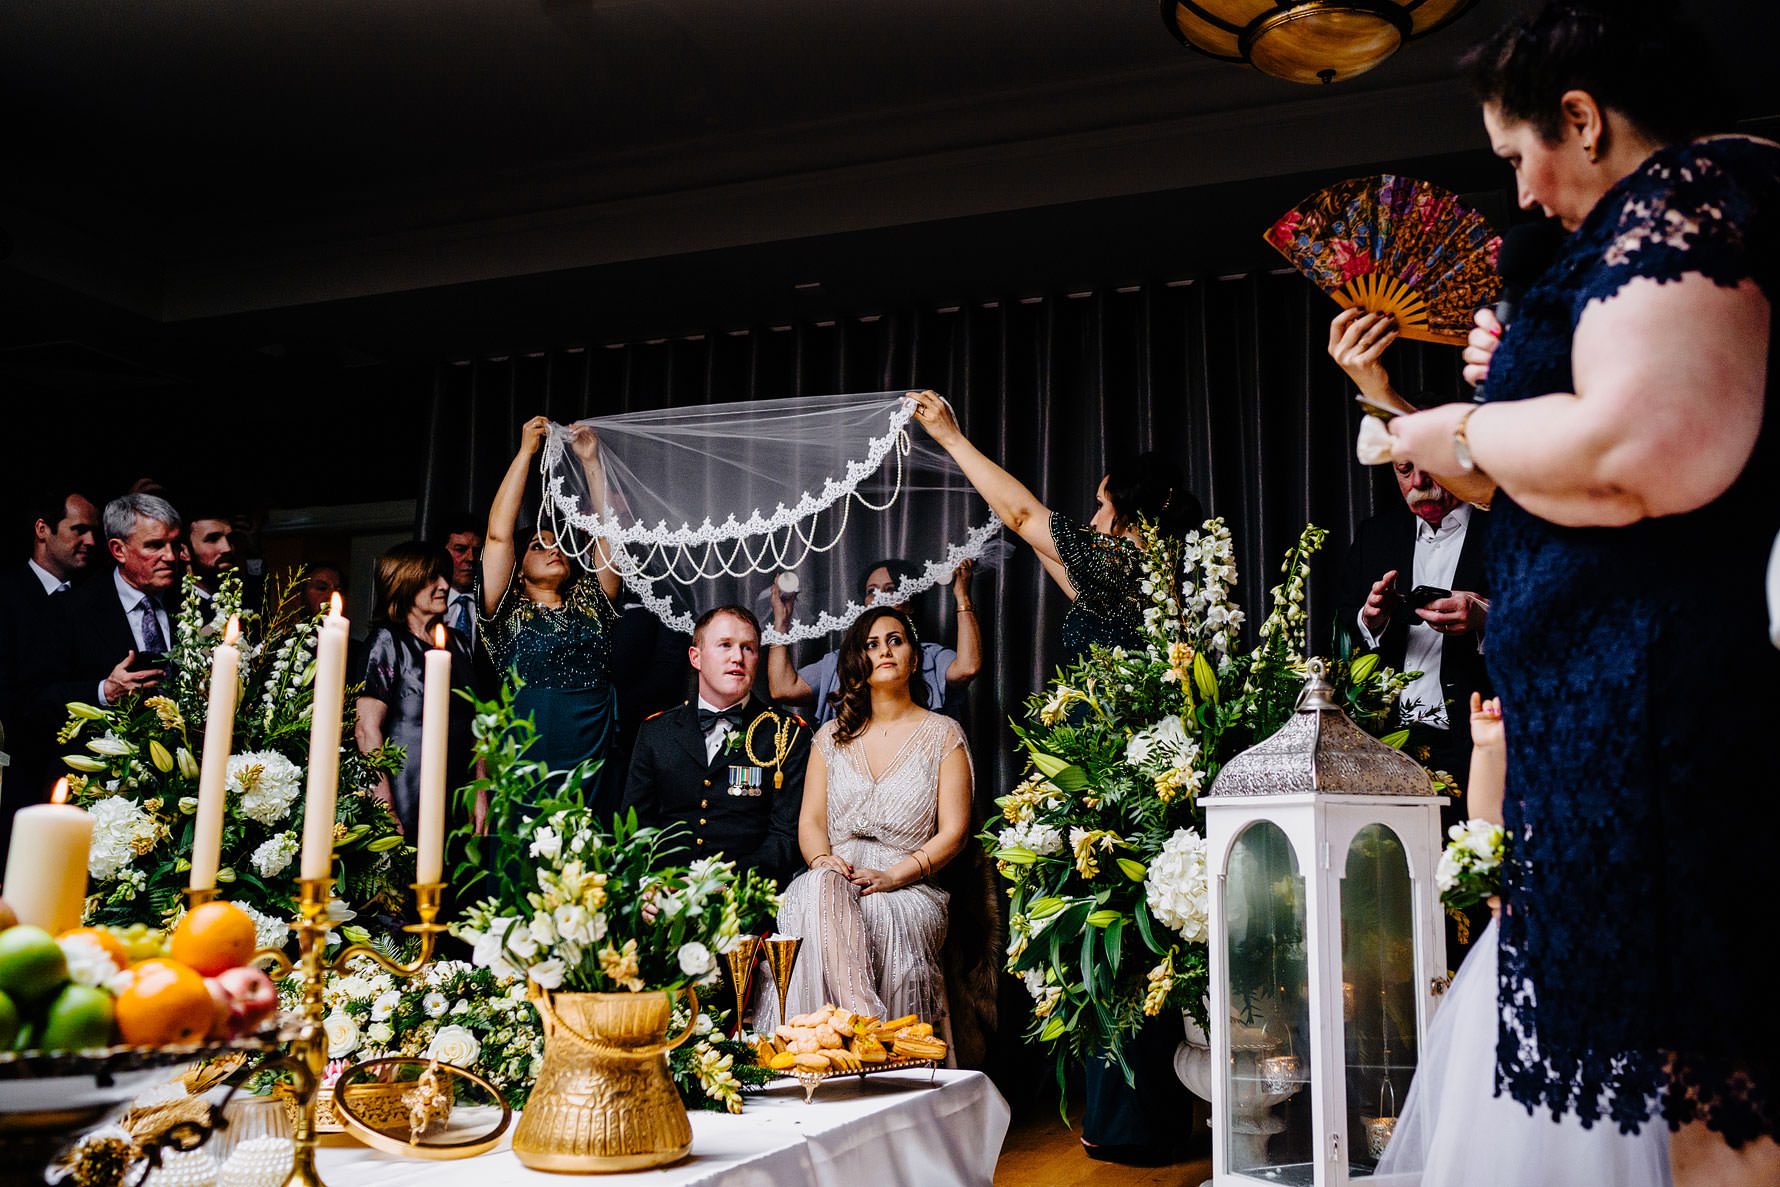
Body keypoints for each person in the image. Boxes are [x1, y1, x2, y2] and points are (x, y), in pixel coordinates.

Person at [1383, 4, 1778, 1180]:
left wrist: (1463, 422)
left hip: (1676, 715)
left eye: (1518, 157)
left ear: (1582, 118)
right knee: (1691, 1087)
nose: (1520, 195)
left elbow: (1637, 455)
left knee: (1729, 1090)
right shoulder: (1631, 234)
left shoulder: (1692, 189)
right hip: (1619, 722)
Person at [910, 388, 1203, 1161]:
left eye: (1104, 509)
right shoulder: (1150, 582)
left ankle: (1135, 1126)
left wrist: (951, 435)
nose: (1094, 521)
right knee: (1132, 947)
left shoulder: (1124, 564)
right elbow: (1042, 542)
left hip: (1110, 776)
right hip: (1134, 776)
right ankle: (1143, 1119)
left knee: (1120, 949)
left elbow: (1020, 517)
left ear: (1134, 520)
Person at [1375, 694, 1672, 1185]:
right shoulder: (1529, 725)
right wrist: (1490, 750)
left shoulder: (1624, 744)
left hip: (1603, 956)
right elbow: (1489, 826)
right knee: (1505, 1130)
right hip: (1519, 958)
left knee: (1595, 1128)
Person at [763, 605, 972, 1034]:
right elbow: (811, 822)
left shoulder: (943, 734)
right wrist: (821, 859)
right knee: (819, 886)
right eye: (872, 645)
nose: (885, 651)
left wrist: (894, 875)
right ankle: (869, 1025)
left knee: (874, 909)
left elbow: (955, 832)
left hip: (908, 883)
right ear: (859, 660)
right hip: (834, 872)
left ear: (915, 657)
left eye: (896, 641)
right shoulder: (829, 737)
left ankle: (862, 1039)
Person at [1328, 327, 1493, 783]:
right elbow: (1341, 626)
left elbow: (1551, 620)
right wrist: (1370, 620)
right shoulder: (1375, 536)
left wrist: (1483, 618)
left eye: (1431, 467)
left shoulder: (1502, 526)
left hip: (1485, 746)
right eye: (1405, 469)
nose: (1419, 483)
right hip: (1391, 745)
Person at [479, 416, 624, 813]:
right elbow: (497, 535)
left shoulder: (592, 603)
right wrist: (526, 452)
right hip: (527, 750)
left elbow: (608, 533)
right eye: (538, 546)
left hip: (591, 748)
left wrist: (591, 462)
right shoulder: (504, 611)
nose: (553, 548)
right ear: (519, 570)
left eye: (558, 543)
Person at [621, 605, 810, 885]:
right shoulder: (655, 731)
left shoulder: (786, 734)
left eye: (748, 648)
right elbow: (635, 829)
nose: (737, 657)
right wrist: (650, 885)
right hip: (662, 897)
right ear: (696, 657)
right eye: (725, 645)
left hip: (746, 902)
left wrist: (725, 883)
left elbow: (786, 839)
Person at [354, 542, 478, 839]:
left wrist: (480, 793)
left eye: (444, 577)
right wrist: (385, 809)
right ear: (404, 580)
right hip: (406, 792)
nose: (444, 585)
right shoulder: (387, 642)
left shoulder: (459, 643)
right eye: (432, 577)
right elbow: (366, 731)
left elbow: (478, 727)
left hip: (458, 792)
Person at [0, 490, 99, 851]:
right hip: (20, 775)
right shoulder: (6, 595)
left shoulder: (94, 597)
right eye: (79, 530)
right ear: (43, 529)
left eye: (94, 532)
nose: (91, 541)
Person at [767, 557, 981, 724]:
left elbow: (967, 668)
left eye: (890, 589)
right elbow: (783, 689)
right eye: (872, 591)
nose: (880, 598)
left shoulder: (930, 656)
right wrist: (782, 620)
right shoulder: (839, 662)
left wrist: (963, 598)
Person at [39, 493, 182, 716]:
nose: (171, 556)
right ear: (118, 550)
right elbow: (34, 699)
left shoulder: (191, 604)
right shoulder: (70, 610)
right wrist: (104, 692)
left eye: (174, 545)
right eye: (154, 545)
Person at [439, 515, 483, 655]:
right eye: (460, 549)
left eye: (476, 551)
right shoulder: (426, 603)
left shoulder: (491, 606)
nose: (470, 558)